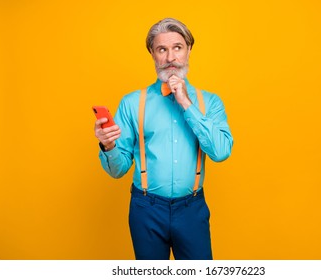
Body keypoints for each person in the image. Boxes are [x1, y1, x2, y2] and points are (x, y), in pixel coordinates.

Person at [94, 18, 233, 260]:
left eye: (177, 47)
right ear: (153, 54)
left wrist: (186, 103)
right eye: (162, 49)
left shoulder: (210, 102)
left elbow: (221, 152)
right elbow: (118, 170)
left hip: (192, 209)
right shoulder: (131, 103)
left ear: (189, 50)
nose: (170, 58)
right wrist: (109, 145)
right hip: (146, 209)